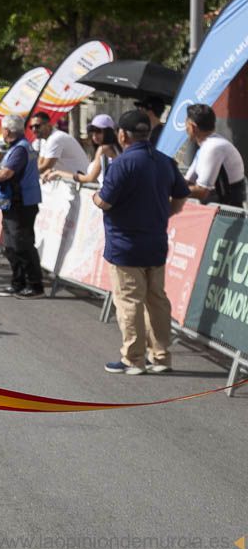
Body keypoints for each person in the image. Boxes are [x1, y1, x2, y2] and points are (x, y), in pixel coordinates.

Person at [95, 110, 190, 375]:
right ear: (147, 133)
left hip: (125, 245)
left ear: (122, 135)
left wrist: (94, 198)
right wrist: (165, 213)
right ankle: (160, 357)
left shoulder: (122, 163)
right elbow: (181, 196)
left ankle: (133, 359)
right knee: (156, 299)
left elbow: (105, 201)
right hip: (156, 242)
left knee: (129, 301)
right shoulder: (164, 161)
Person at [0, 115, 44, 298]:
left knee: (21, 244)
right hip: (14, 203)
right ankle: (18, 282)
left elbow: (6, 173)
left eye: (3, 129)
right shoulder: (18, 148)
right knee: (11, 245)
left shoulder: (20, 150)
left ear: (7, 131)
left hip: (21, 203)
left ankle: (35, 285)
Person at [184, 103, 246, 207]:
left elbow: (202, 192)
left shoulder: (213, 147)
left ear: (192, 126)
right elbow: (188, 181)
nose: (185, 129)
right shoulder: (207, 145)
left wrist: (169, 191)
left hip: (226, 216)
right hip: (217, 209)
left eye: (186, 124)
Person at [46, 114, 120, 185]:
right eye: (92, 131)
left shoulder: (103, 149)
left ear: (108, 132)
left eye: (98, 131)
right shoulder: (117, 148)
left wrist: (58, 173)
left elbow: (89, 178)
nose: (94, 135)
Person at [27, 111, 88, 177]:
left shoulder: (55, 138)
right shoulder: (44, 140)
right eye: (31, 127)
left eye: (37, 126)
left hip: (81, 182)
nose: (34, 130)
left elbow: (45, 167)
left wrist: (24, 174)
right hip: (69, 180)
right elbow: (40, 164)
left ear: (48, 125)